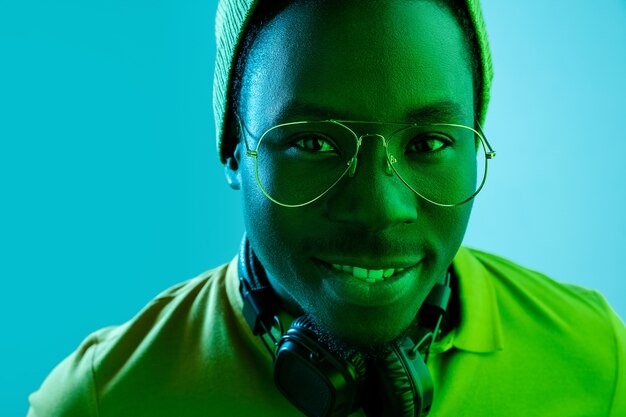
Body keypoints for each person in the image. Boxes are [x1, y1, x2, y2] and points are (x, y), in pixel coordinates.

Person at [27, 0, 626, 416]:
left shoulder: (597, 358)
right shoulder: (100, 400)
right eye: (312, 142)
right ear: (235, 152)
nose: (377, 208)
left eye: (429, 143)